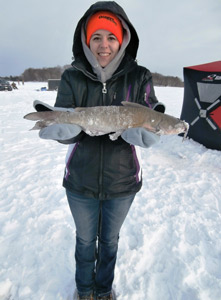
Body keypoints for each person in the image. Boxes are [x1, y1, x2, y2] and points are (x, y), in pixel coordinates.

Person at [35, 1, 165, 299]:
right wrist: (64, 131)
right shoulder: (71, 76)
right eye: (96, 37)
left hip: (123, 182)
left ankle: (103, 290)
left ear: (122, 39)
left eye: (111, 37)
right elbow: (65, 118)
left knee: (109, 241)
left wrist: (152, 124)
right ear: (85, 40)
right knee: (84, 240)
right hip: (80, 180)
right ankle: (84, 290)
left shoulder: (140, 75)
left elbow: (152, 108)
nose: (103, 45)